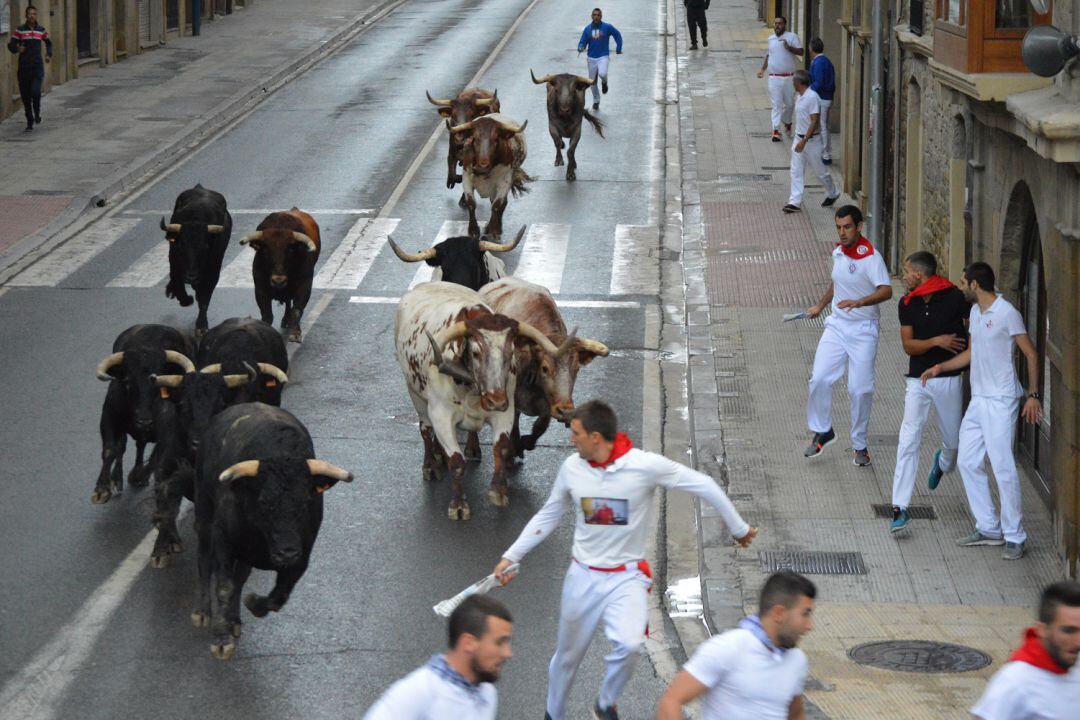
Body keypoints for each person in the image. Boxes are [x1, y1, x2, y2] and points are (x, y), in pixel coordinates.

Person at [491, 400, 757, 720]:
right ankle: (554, 714)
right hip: (583, 576)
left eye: (576, 433)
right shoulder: (572, 469)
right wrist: (511, 556)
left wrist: (739, 528)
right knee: (567, 659)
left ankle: (605, 704)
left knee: (629, 645)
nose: (571, 439)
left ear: (596, 437)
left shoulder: (644, 466)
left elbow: (702, 484)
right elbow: (549, 514)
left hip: (626, 577)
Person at [920, 262, 1043, 561]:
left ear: (975, 285)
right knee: (967, 460)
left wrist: (1033, 395)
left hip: (1001, 399)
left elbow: (1030, 353)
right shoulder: (975, 313)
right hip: (978, 400)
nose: (960, 286)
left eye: (964, 282)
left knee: (1002, 466)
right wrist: (940, 367)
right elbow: (971, 353)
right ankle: (988, 527)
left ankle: (1015, 536)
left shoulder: (1007, 313)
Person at [656, 571, 815, 720]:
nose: (810, 626)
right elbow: (671, 701)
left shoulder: (797, 661)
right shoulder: (728, 649)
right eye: (805, 614)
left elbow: (795, 714)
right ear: (779, 613)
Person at [803, 206, 893, 466]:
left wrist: (861, 302)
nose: (842, 232)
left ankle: (860, 445)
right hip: (837, 326)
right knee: (819, 378)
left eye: (847, 227)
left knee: (860, 389)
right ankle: (823, 430)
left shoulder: (871, 257)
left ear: (859, 226)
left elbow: (886, 290)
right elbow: (837, 282)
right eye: (839, 227)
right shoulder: (838, 253)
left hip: (864, 329)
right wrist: (820, 306)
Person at [888, 251, 968, 533]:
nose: (904, 274)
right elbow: (909, 347)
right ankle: (899, 507)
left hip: (949, 378)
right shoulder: (906, 303)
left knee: (953, 443)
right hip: (917, 380)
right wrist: (937, 341)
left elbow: (971, 334)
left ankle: (942, 462)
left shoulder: (955, 298)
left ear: (919, 275)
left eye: (906, 270)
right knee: (908, 438)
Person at [363, 594, 514, 720]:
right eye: (499, 642)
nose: (508, 653)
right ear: (469, 643)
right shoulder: (418, 692)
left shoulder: (487, 694)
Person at [971, 580, 1080, 718]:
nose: (1078, 642)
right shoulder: (1015, 681)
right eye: (1068, 631)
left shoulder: (1075, 671)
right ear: (1042, 630)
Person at [782, 70, 839, 214]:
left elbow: (814, 121)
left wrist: (804, 141)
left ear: (799, 83)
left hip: (811, 141)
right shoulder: (799, 96)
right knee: (795, 170)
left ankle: (833, 192)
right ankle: (794, 201)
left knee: (820, 172)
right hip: (799, 138)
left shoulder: (812, 97)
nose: (792, 84)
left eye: (794, 81)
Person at [6, 4, 52, 133]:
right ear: (26, 15)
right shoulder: (20, 30)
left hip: (37, 67)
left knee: (36, 92)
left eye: (34, 13)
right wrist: (17, 49)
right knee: (25, 96)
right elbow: (11, 45)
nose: (32, 16)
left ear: (36, 15)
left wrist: (48, 54)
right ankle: (29, 121)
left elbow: (48, 43)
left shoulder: (41, 30)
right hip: (24, 68)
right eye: (29, 13)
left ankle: (37, 113)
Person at [757, 16, 802, 142]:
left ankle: (787, 121)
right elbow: (768, 55)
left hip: (789, 78)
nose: (777, 26)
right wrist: (762, 69)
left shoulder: (792, 37)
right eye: (776, 23)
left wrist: (789, 48)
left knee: (789, 104)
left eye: (780, 23)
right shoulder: (770, 39)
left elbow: (801, 52)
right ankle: (776, 131)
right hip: (774, 78)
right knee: (776, 105)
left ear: (785, 25)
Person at [577, 8, 623, 112]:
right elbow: (582, 42)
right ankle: (596, 100)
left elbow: (617, 35)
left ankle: (604, 82)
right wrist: (580, 47)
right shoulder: (587, 29)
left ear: (601, 16)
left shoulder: (607, 27)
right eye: (594, 15)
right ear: (591, 16)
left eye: (598, 15)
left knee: (602, 73)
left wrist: (619, 48)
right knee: (592, 82)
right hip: (591, 58)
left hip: (603, 56)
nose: (596, 17)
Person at [808, 38, 835, 164]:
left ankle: (825, 154)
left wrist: (807, 92)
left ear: (812, 49)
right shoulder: (826, 61)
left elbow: (818, 82)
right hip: (826, 97)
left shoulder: (818, 63)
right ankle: (825, 151)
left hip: (822, 97)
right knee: (824, 125)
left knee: (822, 125)